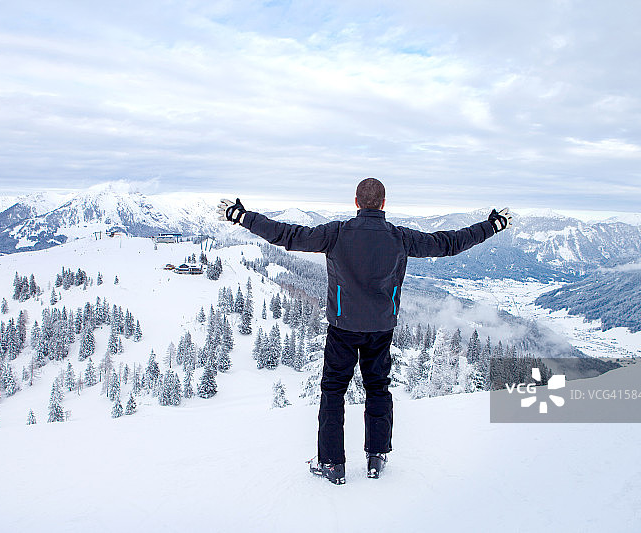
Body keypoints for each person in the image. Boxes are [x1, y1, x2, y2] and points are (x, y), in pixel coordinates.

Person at [217, 178, 510, 485]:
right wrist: (492, 226)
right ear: (383, 204)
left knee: (333, 391)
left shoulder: (336, 233)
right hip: (381, 328)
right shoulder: (400, 237)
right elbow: (449, 242)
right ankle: (376, 457)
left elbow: (287, 235)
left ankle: (332, 464)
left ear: (356, 203)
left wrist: (242, 216)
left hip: (342, 327)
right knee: (378, 388)